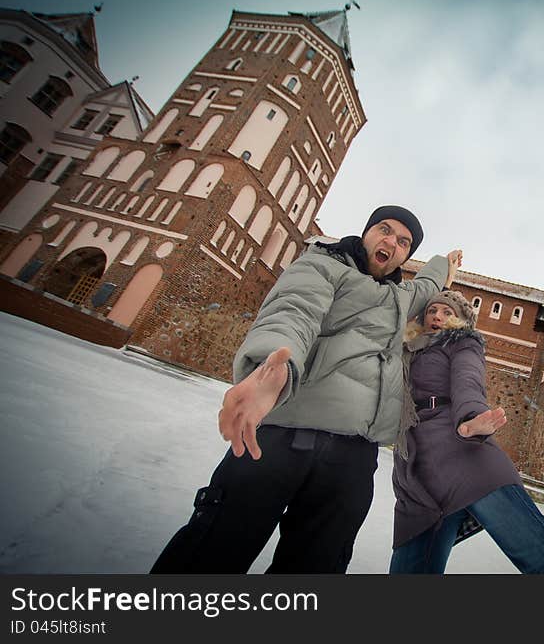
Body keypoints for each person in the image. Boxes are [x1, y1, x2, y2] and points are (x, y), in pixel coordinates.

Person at [151, 205, 462, 573]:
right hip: (287, 436)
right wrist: (272, 369)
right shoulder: (323, 265)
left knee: (319, 564)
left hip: (354, 458)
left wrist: (445, 264)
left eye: (403, 241)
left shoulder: (401, 298)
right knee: (215, 547)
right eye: (384, 229)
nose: (391, 241)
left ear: (405, 256)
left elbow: (427, 286)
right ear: (366, 233)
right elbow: (294, 310)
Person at [390, 291, 544, 574]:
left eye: (448, 312)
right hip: (416, 470)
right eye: (433, 310)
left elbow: (467, 380)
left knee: (541, 554)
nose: (438, 316)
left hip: (459, 450)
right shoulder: (407, 348)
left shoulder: (462, 343)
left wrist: (471, 419)